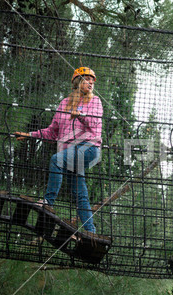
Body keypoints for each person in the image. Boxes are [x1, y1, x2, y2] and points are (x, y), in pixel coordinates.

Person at [15, 67, 102, 233]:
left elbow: (95, 123)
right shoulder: (64, 104)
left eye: (92, 80)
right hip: (70, 154)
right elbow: (52, 131)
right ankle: (91, 232)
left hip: (88, 149)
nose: (91, 82)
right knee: (80, 195)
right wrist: (30, 135)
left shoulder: (95, 101)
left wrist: (80, 115)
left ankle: (48, 202)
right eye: (87, 79)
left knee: (56, 160)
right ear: (77, 82)